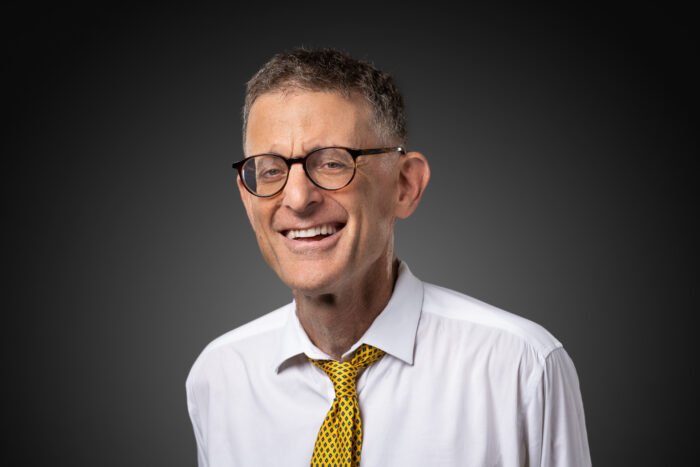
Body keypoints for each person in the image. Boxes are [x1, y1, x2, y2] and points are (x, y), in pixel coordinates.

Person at [186, 48, 591, 467]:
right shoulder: (219, 377)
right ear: (246, 196)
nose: (298, 198)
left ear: (405, 185)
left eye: (330, 163)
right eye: (269, 170)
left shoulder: (520, 368)